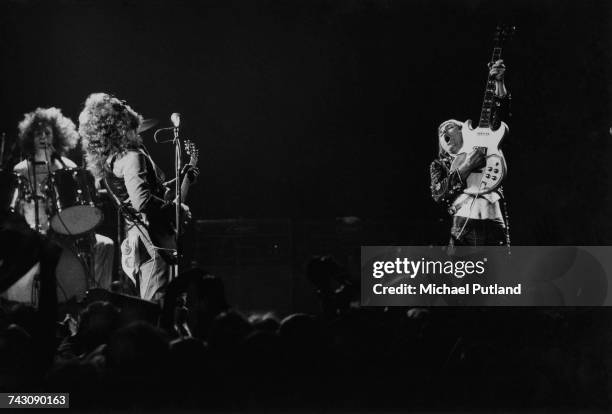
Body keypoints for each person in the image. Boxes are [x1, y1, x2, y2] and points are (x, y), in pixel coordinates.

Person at [78, 93, 195, 302]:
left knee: (154, 301)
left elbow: (141, 195)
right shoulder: (132, 156)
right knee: (157, 304)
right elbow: (142, 201)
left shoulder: (113, 160)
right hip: (151, 238)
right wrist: (176, 210)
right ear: (123, 125)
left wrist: (181, 180)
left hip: (137, 237)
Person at [12, 107, 114, 290]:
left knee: (105, 244)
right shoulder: (21, 170)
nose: (43, 137)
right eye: (38, 134)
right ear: (30, 138)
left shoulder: (67, 166)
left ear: (56, 136)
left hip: (66, 231)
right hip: (34, 231)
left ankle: (96, 297)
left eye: (47, 133)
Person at [430, 60, 511, 246]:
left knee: (499, 274)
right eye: (440, 133)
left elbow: (501, 120)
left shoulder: (487, 148)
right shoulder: (439, 164)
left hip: (494, 222)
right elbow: (438, 194)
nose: (443, 132)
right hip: (463, 227)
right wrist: (466, 167)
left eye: (449, 127)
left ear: (464, 131)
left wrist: (499, 83)